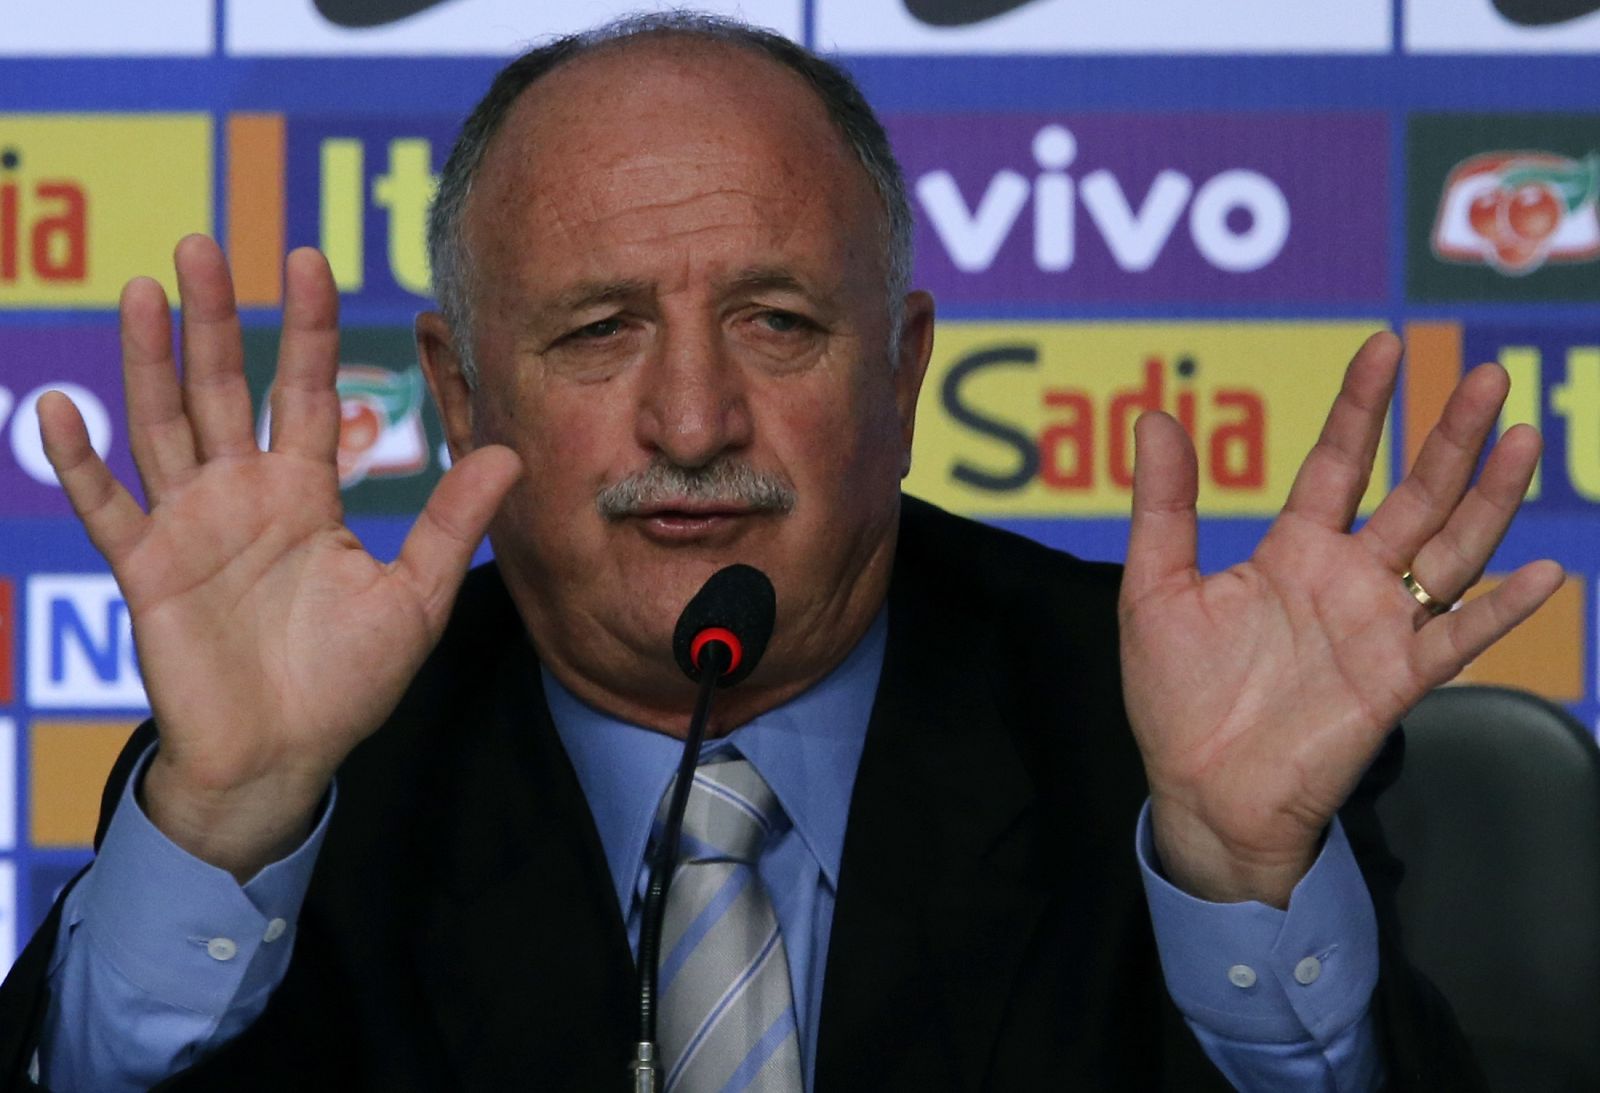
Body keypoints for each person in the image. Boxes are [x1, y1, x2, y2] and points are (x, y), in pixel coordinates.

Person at [0, 13, 1560, 1092]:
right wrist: (221, 821)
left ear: (901, 372)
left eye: (779, 324)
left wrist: (1235, 870)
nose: (691, 416)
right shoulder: (316, 754)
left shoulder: (1153, 714)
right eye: (600, 331)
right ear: (464, 391)